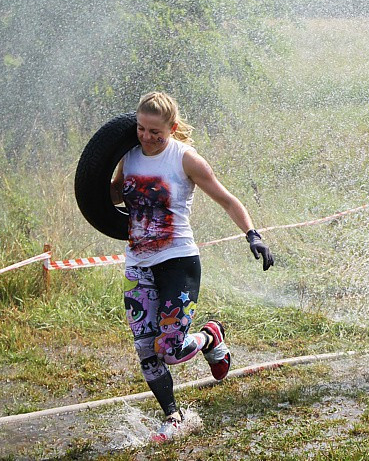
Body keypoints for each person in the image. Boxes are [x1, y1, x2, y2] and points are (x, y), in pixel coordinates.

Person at [110, 91, 274, 443]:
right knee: (145, 350)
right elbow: (114, 196)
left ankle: (210, 336)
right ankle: (174, 416)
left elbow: (227, 199)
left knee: (168, 349)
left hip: (177, 261)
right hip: (138, 263)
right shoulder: (128, 155)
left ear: (171, 127)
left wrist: (252, 235)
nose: (147, 137)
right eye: (141, 128)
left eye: (156, 131)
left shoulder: (185, 159)